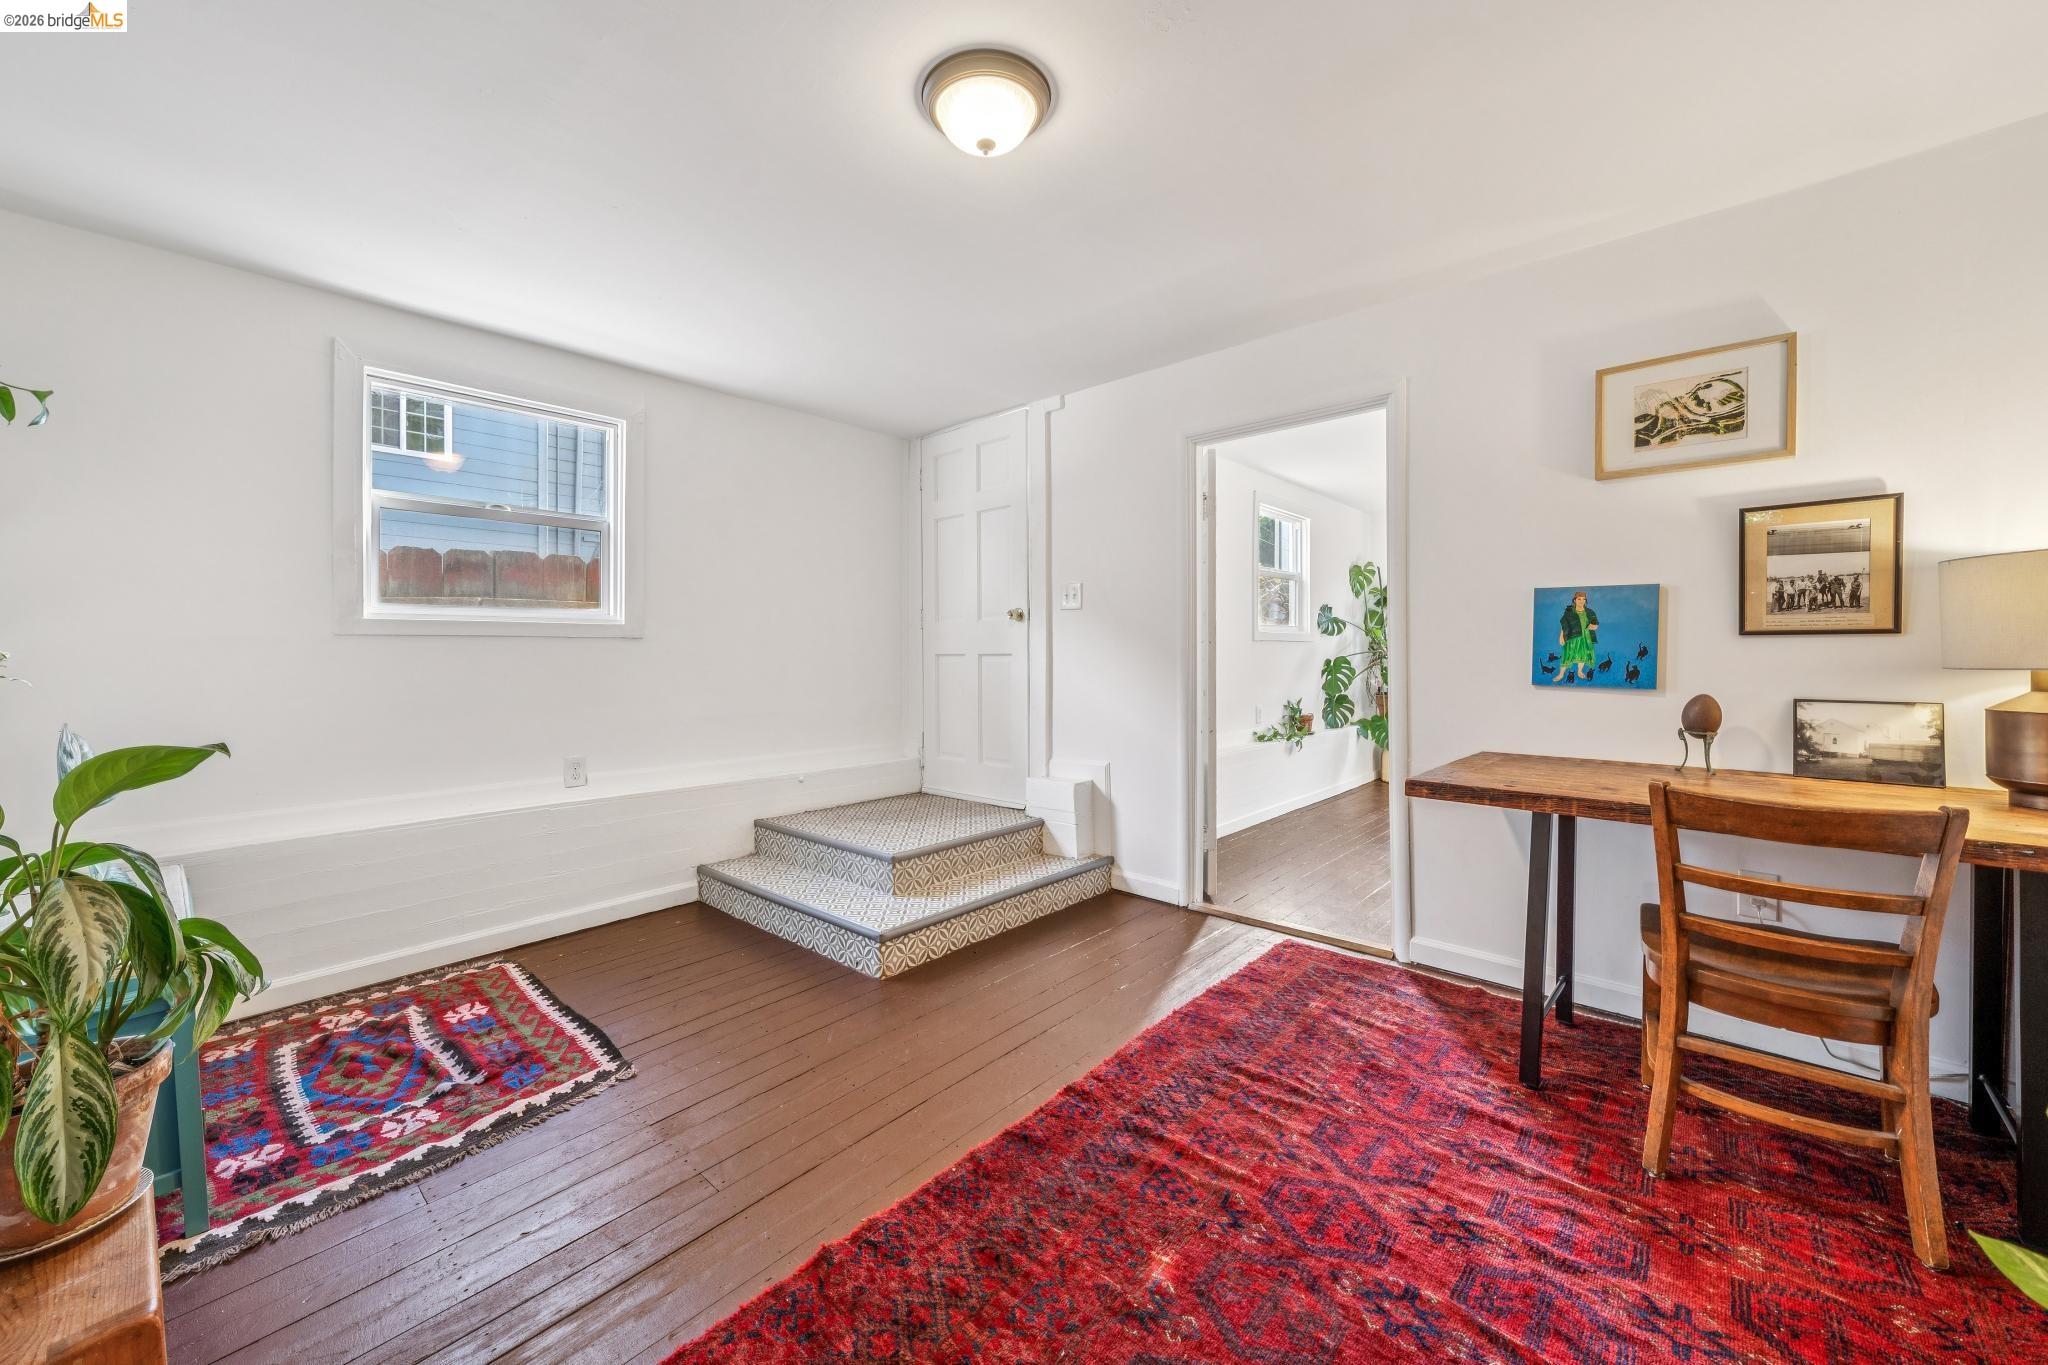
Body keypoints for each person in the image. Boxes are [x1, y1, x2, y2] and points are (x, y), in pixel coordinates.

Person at [1554, 590, 1598, 682]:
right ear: (1574, 600)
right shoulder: (1569, 611)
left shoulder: (1590, 612)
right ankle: (1561, 674)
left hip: (1585, 637)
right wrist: (1561, 636)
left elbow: (1595, 625)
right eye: (1579, 599)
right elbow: (1564, 625)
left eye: (1583, 599)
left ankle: (1579, 671)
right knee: (1567, 655)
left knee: (1583, 655)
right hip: (1572, 637)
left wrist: (1593, 626)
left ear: (1586, 601)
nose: (1581, 601)